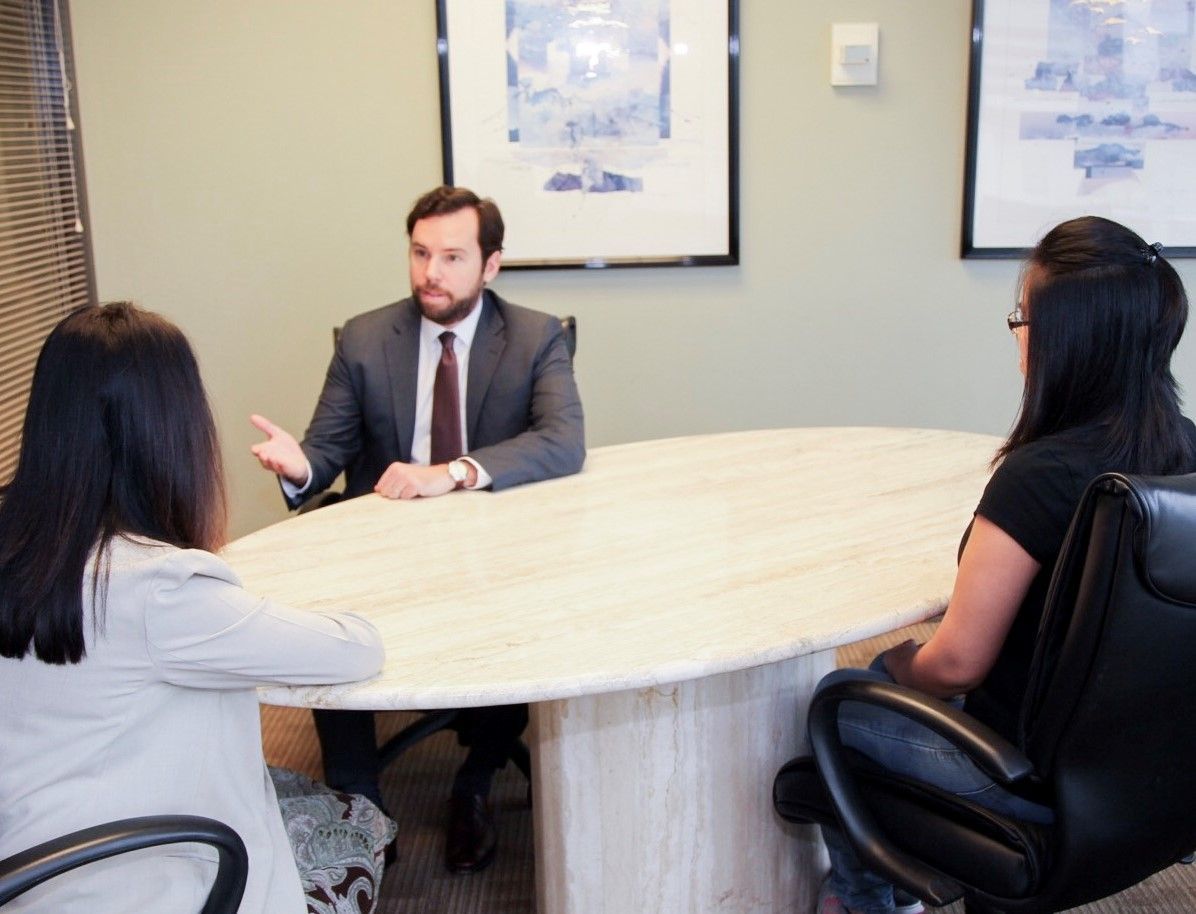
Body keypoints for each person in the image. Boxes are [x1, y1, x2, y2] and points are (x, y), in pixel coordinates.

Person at [814, 216, 1196, 914]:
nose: (1018, 334)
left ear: (1065, 341)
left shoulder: (1037, 477)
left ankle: (867, 900)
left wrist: (897, 664)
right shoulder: (1187, 456)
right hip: (1150, 781)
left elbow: (959, 665)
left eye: (1023, 317)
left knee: (834, 699)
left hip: (1027, 781)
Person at [0, 303, 390, 913]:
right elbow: (354, 647)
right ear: (172, 431)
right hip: (138, 885)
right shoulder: (161, 588)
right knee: (360, 824)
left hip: (27, 868)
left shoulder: (20, 545)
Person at [250, 185, 585, 873]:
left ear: (491, 265)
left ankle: (476, 780)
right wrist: (298, 468)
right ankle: (361, 802)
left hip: (497, 550)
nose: (431, 273)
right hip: (383, 552)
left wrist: (454, 472)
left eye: (453, 257)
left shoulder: (534, 335)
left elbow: (563, 440)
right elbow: (325, 454)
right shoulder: (368, 337)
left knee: (523, 618)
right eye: (421, 253)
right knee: (326, 624)